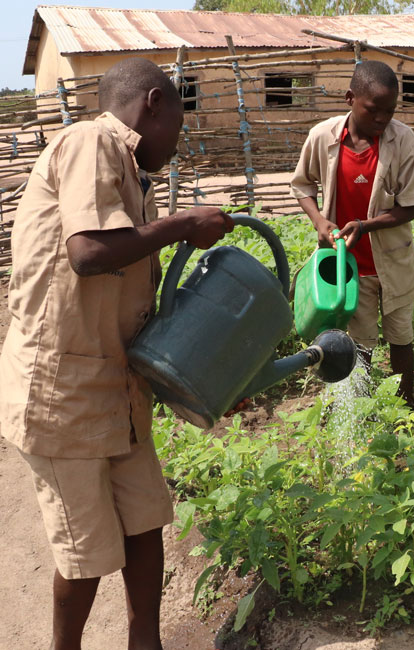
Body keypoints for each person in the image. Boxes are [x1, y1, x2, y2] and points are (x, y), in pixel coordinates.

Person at [0, 57, 236, 650]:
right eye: (178, 130)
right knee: (84, 553)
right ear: (153, 102)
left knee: (145, 518)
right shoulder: (89, 142)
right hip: (62, 391)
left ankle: (144, 641)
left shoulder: (130, 171)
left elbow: (124, 285)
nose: (177, 147)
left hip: (116, 385)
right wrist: (184, 226)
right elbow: (87, 253)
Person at [290, 60, 414, 405]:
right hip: (347, 266)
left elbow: (411, 206)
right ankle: (362, 409)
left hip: (393, 260)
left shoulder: (403, 140)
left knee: (401, 339)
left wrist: (366, 226)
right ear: (350, 98)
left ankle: (405, 409)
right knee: (360, 343)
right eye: (373, 110)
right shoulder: (323, 137)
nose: (382, 119)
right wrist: (320, 222)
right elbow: (301, 185)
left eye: (390, 111)